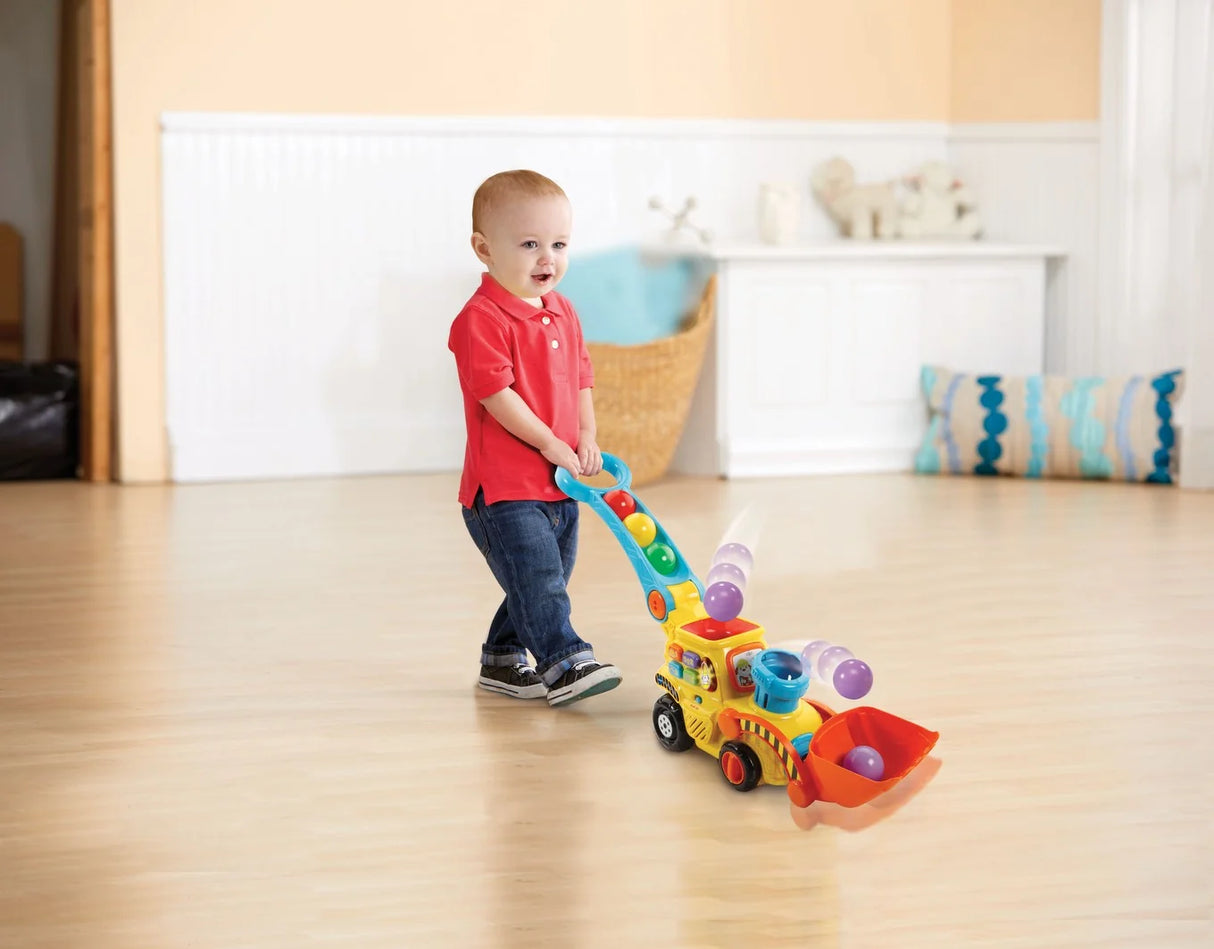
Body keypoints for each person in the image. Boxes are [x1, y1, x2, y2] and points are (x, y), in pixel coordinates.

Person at [447, 169, 622, 707]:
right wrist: (551, 443)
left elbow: (582, 377)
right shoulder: (481, 319)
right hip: (503, 490)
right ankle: (564, 661)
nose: (548, 258)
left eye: (559, 244)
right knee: (541, 580)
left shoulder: (562, 311)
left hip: (560, 481)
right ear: (484, 249)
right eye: (529, 244)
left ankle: (503, 658)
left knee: (540, 580)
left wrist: (587, 433)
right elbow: (498, 397)